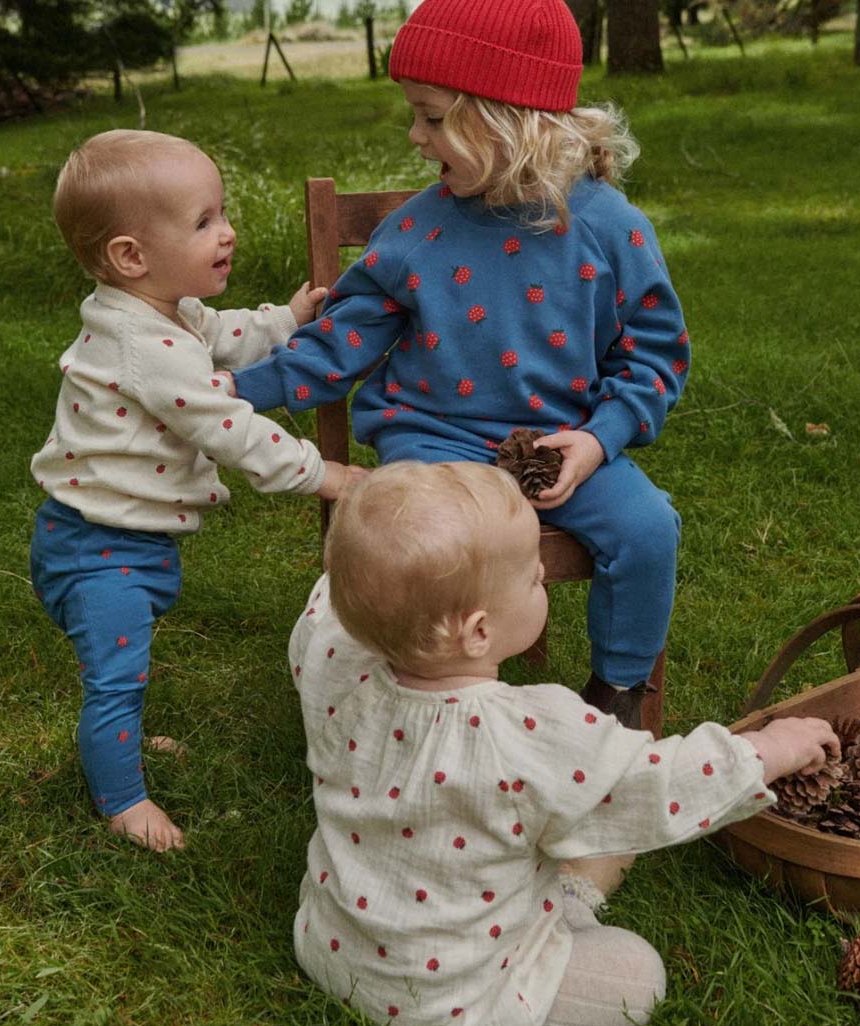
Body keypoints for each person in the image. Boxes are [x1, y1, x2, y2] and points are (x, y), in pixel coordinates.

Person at [225, 0, 684, 734]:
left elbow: (653, 357)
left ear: (509, 120)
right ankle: (415, 699)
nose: (415, 136)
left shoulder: (609, 228)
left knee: (648, 529)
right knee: (425, 546)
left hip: (560, 449)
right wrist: (226, 393)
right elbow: (337, 346)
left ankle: (617, 698)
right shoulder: (414, 232)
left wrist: (597, 441)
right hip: (434, 448)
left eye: (433, 118)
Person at [289, 460, 839, 1026]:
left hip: (334, 950)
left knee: (564, 829)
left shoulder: (335, 659)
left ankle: (537, 915)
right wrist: (770, 750)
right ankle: (568, 913)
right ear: (477, 632)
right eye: (532, 578)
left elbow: (329, 603)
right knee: (639, 972)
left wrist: (373, 565)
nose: (545, 575)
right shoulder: (528, 733)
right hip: (457, 999)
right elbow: (657, 787)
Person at [30, 129, 359, 852]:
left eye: (222, 213)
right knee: (114, 675)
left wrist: (287, 319)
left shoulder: (163, 311)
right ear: (130, 255)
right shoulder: (144, 349)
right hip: (97, 548)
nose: (227, 232)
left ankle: (125, 739)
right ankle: (123, 801)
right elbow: (228, 427)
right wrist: (324, 474)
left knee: (126, 661)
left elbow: (225, 333)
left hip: (119, 536)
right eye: (203, 221)